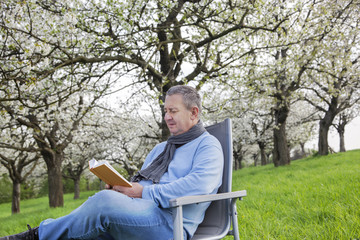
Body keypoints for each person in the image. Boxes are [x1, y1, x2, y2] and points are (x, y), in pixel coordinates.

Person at [1, 85, 223, 240]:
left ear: (194, 113)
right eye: (165, 111)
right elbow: (142, 183)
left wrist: (141, 193)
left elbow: (199, 186)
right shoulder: (161, 149)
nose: (167, 117)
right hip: (138, 213)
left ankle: (35, 236)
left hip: (169, 224)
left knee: (104, 203)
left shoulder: (208, 146)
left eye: (173, 111)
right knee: (88, 230)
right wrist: (122, 189)